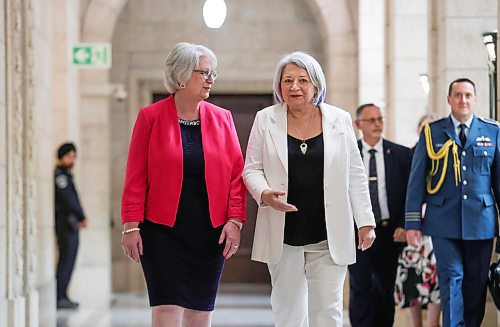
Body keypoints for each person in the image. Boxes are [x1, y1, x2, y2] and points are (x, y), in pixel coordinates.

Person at [242, 51, 376, 327]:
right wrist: (264, 193)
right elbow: (252, 169)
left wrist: (365, 222)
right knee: (287, 312)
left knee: (328, 313)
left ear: (316, 86)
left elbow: (355, 174)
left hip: (328, 234)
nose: (294, 86)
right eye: (287, 80)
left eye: (302, 80)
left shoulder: (340, 120)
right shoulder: (265, 119)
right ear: (279, 87)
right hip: (284, 234)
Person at [120, 42, 246, 327]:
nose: (211, 79)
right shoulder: (150, 117)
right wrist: (130, 225)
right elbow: (136, 175)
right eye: (204, 72)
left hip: (210, 231)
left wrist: (235, 220)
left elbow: (237, 176)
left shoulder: (223, 119)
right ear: (181, 75)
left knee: (200, 311)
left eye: (213, 73)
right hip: (161, 231)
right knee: (166, 309)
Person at [406, 78, 500, 327]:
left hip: (481, 222)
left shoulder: (492, 131)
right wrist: (412, 223)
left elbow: (499, 184)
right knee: (451, 278)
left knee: (476, 282)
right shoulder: (432, 132)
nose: (463, 100)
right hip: (442, 222)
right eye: (457, 95)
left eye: (468, 95)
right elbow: (416, 181)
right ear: (449, 99)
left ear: (475, 99)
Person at [348, 103, 412, 327]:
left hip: (389, 232)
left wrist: (405, 224)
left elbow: (409, 194)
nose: (377, 124)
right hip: (356, 233)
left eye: (380, 119)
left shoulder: (401, 154)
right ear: (358, 125)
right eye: (371, 120)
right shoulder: (348, 152)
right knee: (360, 285)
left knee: (386, 287)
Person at [394, 114, 441, 327]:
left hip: (436, 226)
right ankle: (416, 325)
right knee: (411, 278)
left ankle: (433, 323)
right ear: (418, 131)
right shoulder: (408, 155)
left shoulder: (444, 154)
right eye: (424, 128)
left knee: (435, 278)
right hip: (412, 227)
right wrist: (405, 224)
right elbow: (401, 193)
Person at [54, 142, 88, 309]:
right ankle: (60, 296)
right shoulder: (60, 176)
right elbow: (69, 200)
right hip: (66, 226)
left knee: (69, 260)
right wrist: (81, 216)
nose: (73, 159)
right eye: (70, 156)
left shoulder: (66, 175)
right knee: (66, 260)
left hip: (70, 225)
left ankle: (63, 294)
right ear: (62, 156)